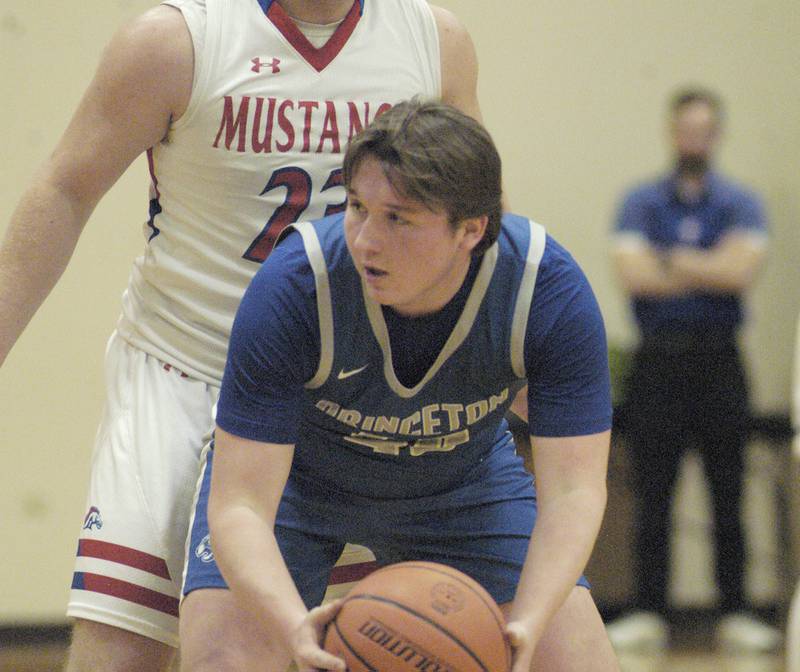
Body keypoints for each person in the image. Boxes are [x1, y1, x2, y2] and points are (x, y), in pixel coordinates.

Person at [0, 2, 486, 670]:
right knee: (123, 647)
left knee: (357, 640)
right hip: (186, 367)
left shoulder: (436, 42)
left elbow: (475, 218)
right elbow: (64, 188)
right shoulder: (176, 41)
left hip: (347, 392)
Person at [179, 99, 620, 672]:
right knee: (222, 663)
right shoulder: (295, 285)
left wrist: (527, 625)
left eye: (399, 218)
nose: (366, 240)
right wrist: (294, 627)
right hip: (298, 485)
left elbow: (574, 492)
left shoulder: (546, 290)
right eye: (358, 208)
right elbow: (239, 504)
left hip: (462, 487)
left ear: (471, 229)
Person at [607, 87, 779, 652]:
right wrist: (708, 263)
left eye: (705, 130)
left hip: (720, 360)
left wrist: (671, 261)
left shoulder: (742, 201)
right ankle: (649, 611)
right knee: (653, 495)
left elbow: (740, 275)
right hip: (658, 362)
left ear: (717, 135)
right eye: (686, 129)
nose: (694, 140)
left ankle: (735, 611)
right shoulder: (639, 201)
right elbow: (635, 278)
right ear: (671, 132)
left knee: (728, 492)